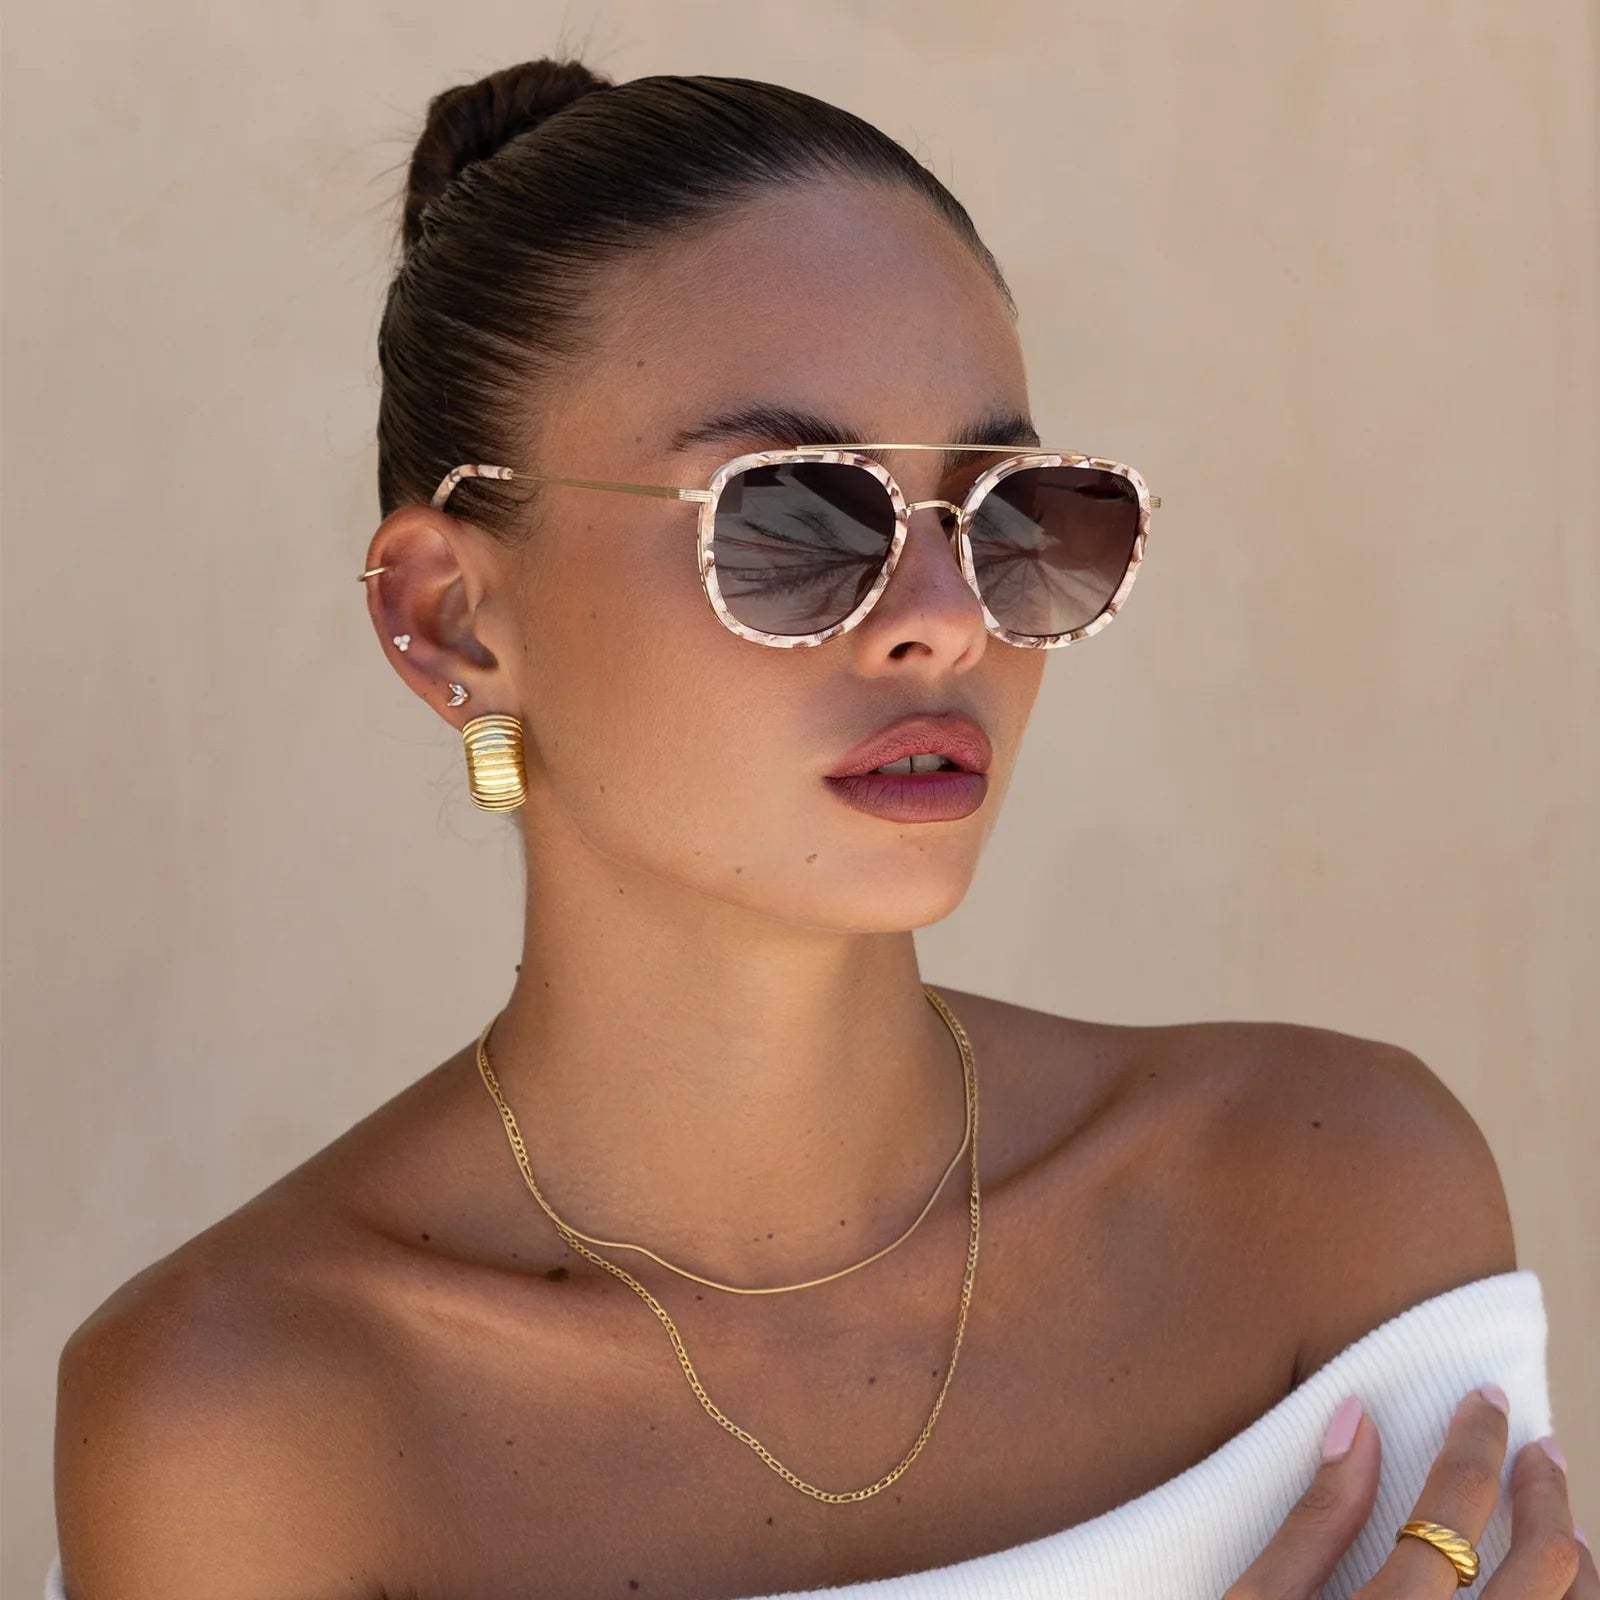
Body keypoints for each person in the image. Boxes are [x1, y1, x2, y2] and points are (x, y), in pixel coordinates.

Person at [49, 58, 1589, 1600]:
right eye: (794, 517)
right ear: (451, 617)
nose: (945, 619)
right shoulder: (250, 1420)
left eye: (1009, 516)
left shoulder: (1330, 1199)